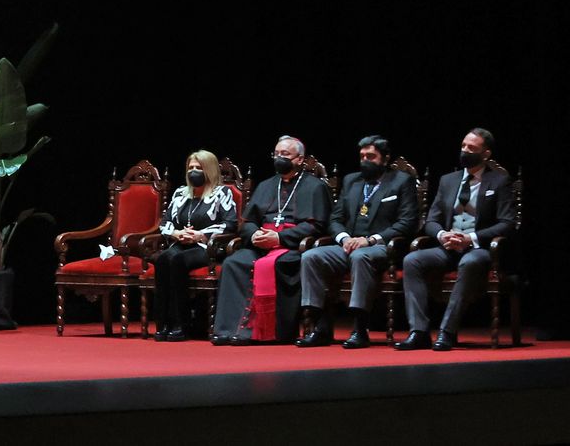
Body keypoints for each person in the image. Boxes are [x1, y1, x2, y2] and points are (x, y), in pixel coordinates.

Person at [395, 128, 516, 352]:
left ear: (486, 154)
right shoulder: (448, 180)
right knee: (412, 260)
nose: (465, 151)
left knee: (469, 262)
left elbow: (507, 223)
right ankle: (419, 332)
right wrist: (442, 235)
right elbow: (431, 220)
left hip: (478, 249)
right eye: (463, 146)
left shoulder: (500, 181)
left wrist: (470, 238)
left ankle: (447, 332)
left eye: (472, 148)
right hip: (448, 247)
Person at [296, 134, 419, 348]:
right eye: (362, 156)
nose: (365, 161)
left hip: (382, 248)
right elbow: (335, 219)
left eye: (371, 157)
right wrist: (345, 238)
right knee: (311, 256)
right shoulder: (351, 180)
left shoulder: (401, 181)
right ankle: (320, 327)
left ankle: (360, 329)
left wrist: (369, 240)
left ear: (385, 158)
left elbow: (407, 222)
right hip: (348, 245)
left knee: (361, 257)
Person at [211, 135, 332, 345]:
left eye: (284, 154)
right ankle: (227, 330)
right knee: (233, 263)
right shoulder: (266, 185)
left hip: (293, 247)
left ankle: (265, 332)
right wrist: (254, 234)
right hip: (262, 244)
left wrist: (279, 237)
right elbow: (248, 221)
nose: (279, 158)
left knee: (278, 265)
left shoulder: (315, 187)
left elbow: (317, 226)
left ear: (299, 159)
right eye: (276, 154)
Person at [152, 150, 237, 341]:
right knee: (163, 259)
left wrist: (200, 235)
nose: (194, 171)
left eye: (199, 168)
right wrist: (176, 233)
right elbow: (164, 223)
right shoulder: (181, 193)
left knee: (177, 260)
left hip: (208, 247)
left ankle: (180, 324)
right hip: (181, 242)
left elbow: (230, 224)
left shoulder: (222, 193)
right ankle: (162, 323)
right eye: (191, 168)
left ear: (209, 170)